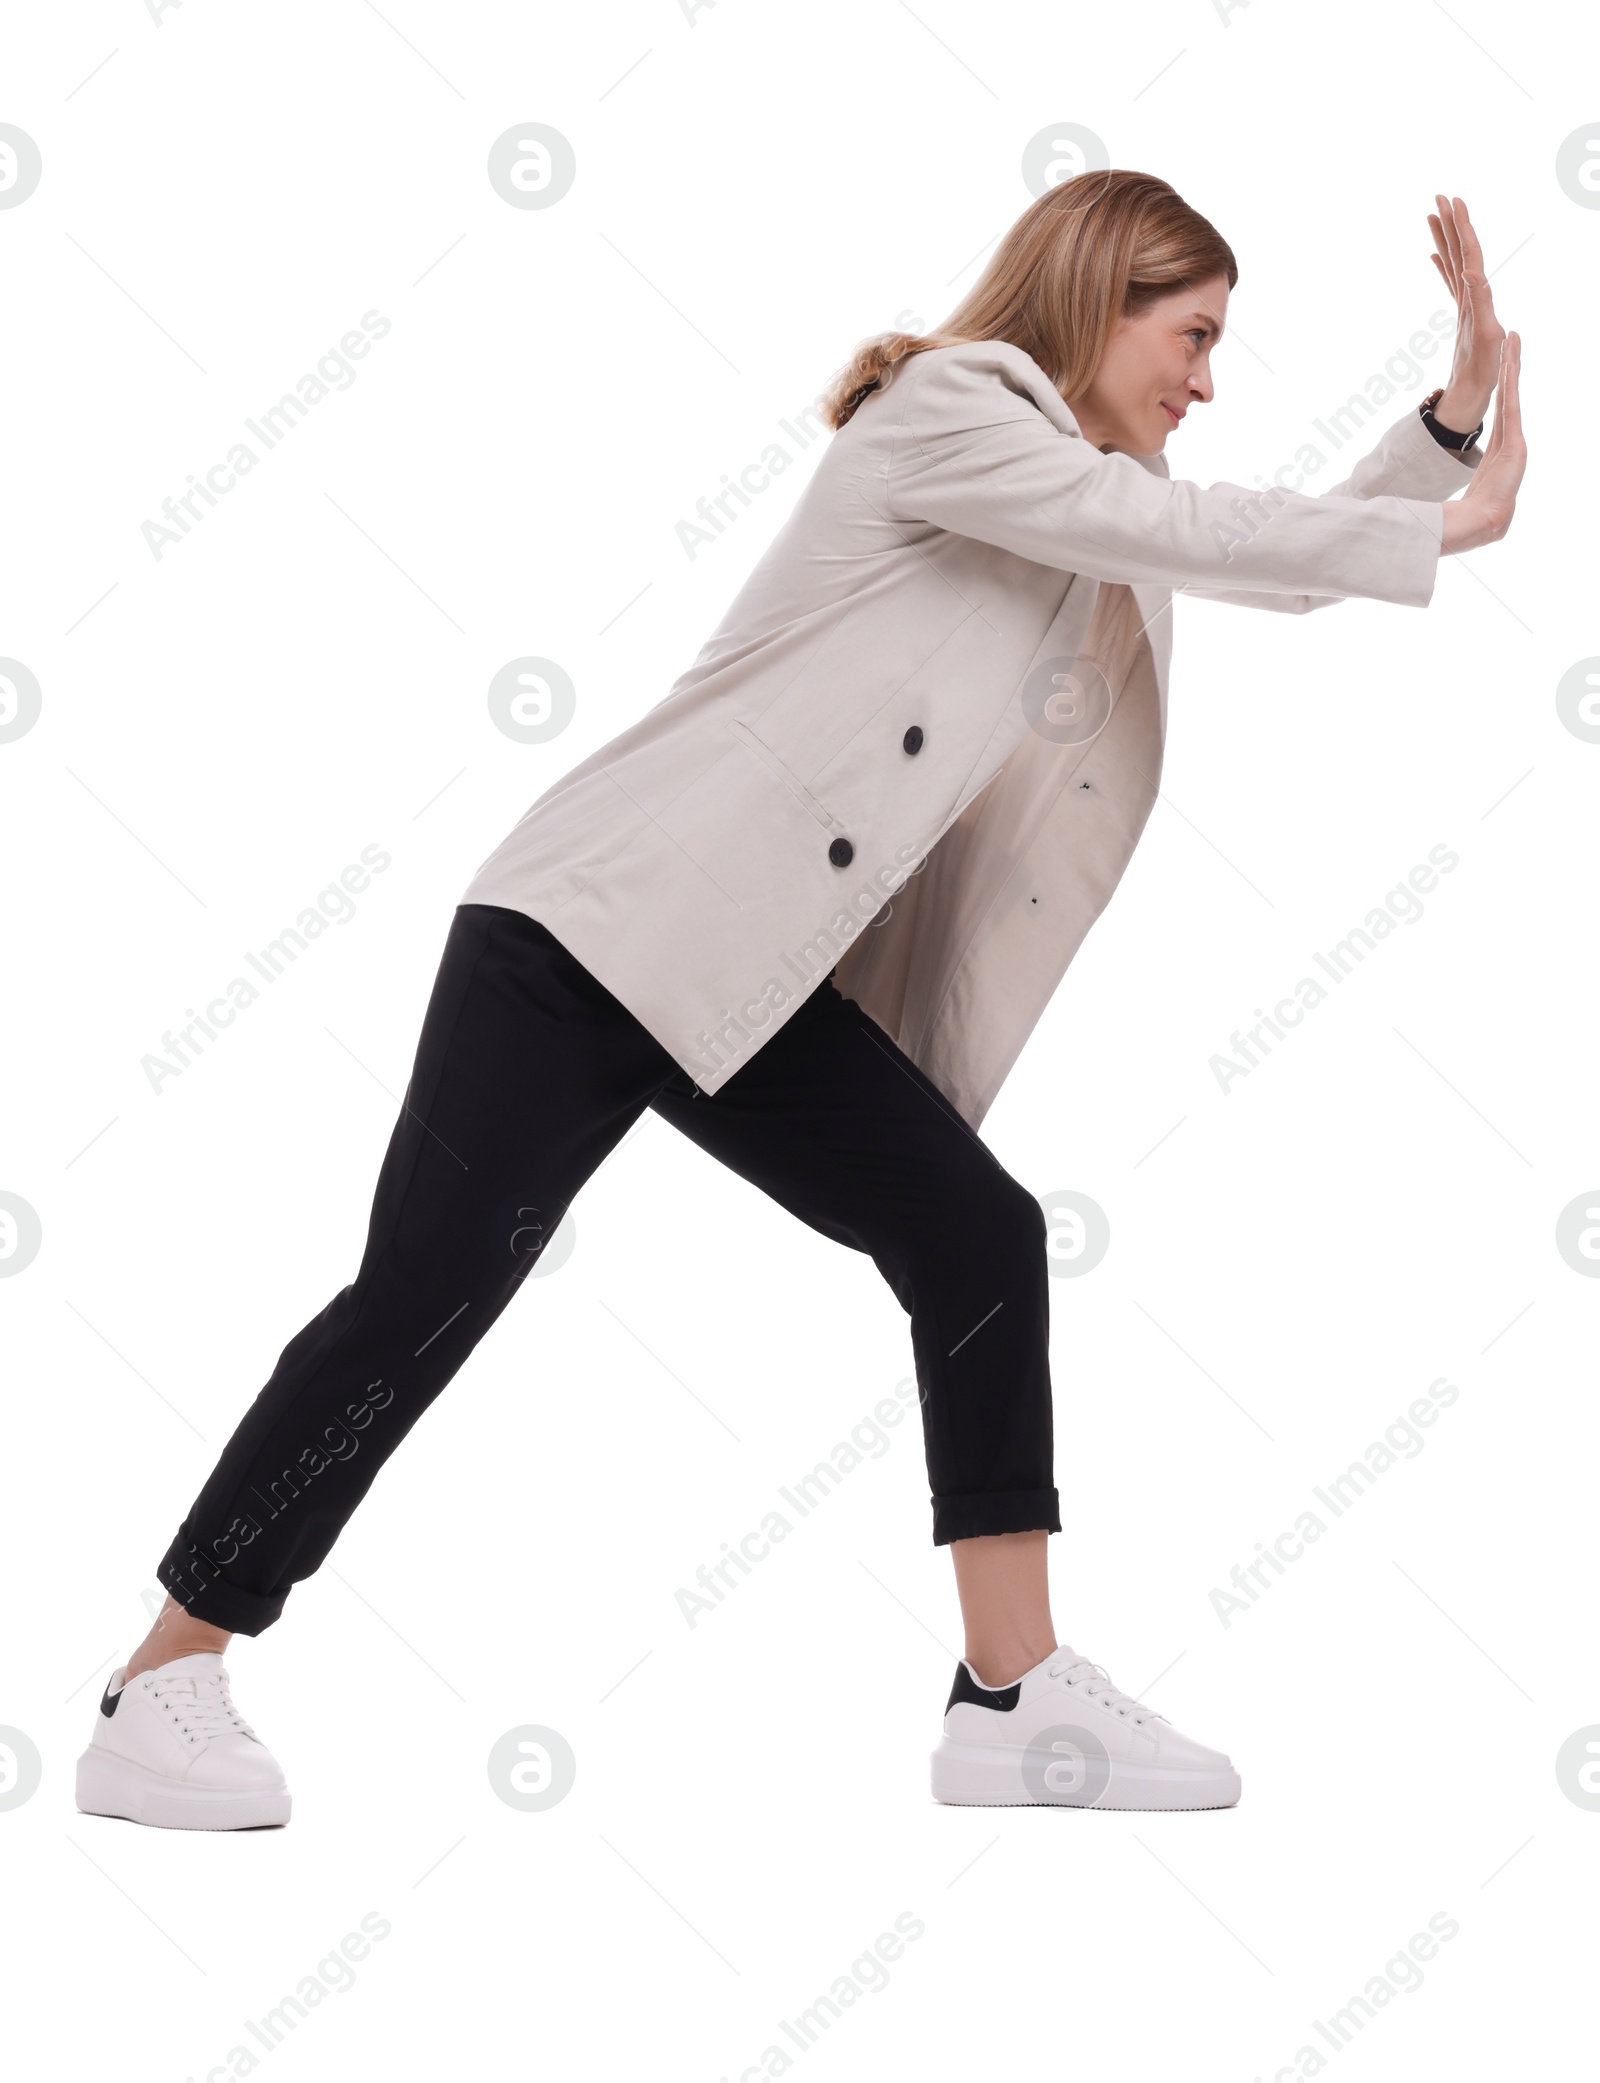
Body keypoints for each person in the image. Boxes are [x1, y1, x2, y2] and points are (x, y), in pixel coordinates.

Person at [76, 172, 1524, 1828]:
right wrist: (1450, 517)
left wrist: (1446, 426)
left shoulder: (1081, 502)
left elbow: (1252, 559)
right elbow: (1191, 528)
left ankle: (1008, 1689)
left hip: (743, 974)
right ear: (1099, 295)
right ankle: (166, 1673)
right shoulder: (954, 406)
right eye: (1193, 336)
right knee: (425, 1293)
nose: (1206, 381)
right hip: (589, 926)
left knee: (975, 1235)